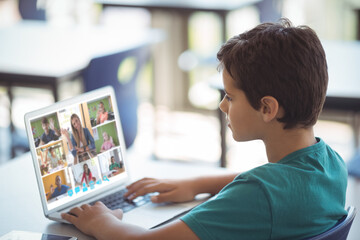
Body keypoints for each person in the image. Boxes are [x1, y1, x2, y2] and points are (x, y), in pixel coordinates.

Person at [61, 18, 348, 239]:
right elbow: (269, 183)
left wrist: (102, 222)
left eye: (230, 97)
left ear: (267, 108)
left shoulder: (256, 197)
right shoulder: (330, 164)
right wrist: (196, 184)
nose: (223, 106)